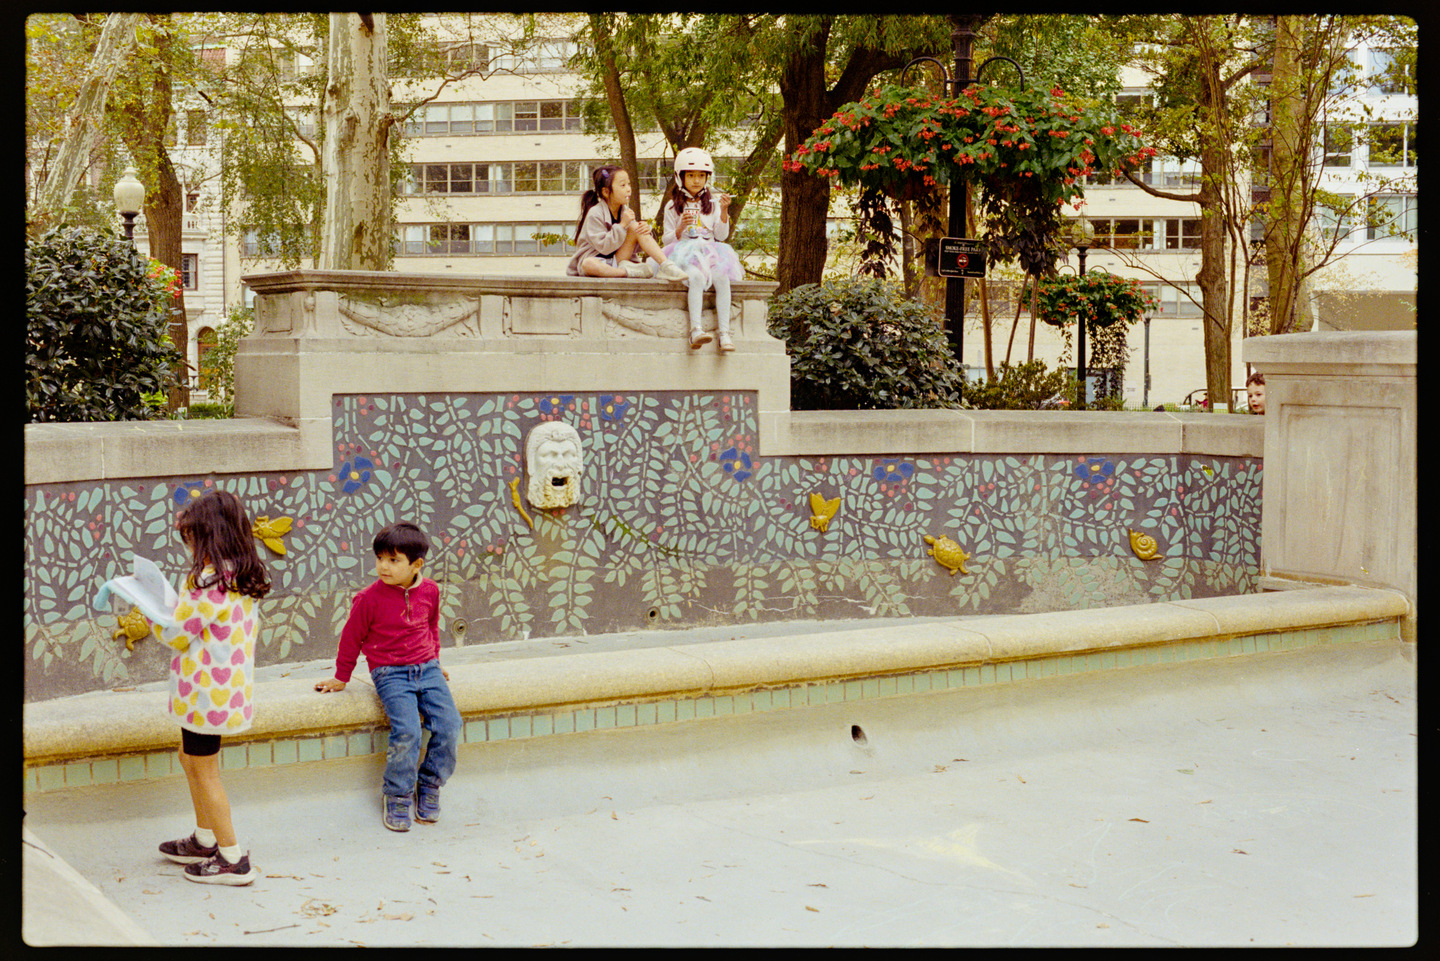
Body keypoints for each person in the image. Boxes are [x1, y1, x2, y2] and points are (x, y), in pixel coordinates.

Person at [154, 489, 272, 886]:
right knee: (191, 760)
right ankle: (205, 839)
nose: (189, 547)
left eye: (192, 538)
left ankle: (232, 857)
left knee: (204, 771)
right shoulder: (237, 572)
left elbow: (175, 633)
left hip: (206, 695)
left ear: (208, 536)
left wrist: (148, 611)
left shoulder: (210, 583)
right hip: (217, 693)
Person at [315, 522, 463, 832]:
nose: (383, 566)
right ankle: (397, 794)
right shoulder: (368, 599)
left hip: (427, 668)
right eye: (380, 558)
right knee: (407, 730)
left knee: (450, 724)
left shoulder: (431, 590)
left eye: (393, 560)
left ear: (416, 564)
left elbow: (431, 626)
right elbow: (351, 638)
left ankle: (430, 784)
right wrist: (341, 677)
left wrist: (435, 661)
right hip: (389, 672)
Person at [661, 148, 745, 351]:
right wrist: (680, 228)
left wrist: (724, 211)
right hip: (684, 254)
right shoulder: (672, 207)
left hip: (710, 251)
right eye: (691, 175)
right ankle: (695, 330)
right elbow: (666, 239)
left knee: (722, 279)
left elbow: (722, 236)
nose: (696, 180)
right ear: (680, 177)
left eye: (701, 175)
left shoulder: (713, 204)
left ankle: (724, 333)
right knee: (696, 278)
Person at [566, 164, 687, 282]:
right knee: (588, 263)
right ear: (606, 192)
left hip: (618, 260)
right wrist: (622, 225)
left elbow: (636, 246)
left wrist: (645, 231)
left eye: (629, 184)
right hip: (599, 262)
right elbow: (604, 248)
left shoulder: (625, 212)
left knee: (635, 227)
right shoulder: (595, 213)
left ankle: (666, 266)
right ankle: (626, 272)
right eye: (623, 185)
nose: (628, 189)